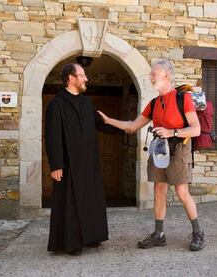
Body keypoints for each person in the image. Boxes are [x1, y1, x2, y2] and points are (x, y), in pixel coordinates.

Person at [98, 59, 205, 251]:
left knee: (182, 192)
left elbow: (195, 129)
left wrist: (172, 132)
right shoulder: (154, 103)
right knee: (159, 190)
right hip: (160, 148)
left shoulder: (183, 99)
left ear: (167, 76)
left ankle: (198, 232)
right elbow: (132, 126)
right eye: (151, 74)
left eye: (154, 74)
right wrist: (108, 120)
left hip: (180, 147)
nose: (150, 77)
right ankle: (159, 235)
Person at [45, 63, 121, 256]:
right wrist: (56, 165)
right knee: (70, 203)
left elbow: (101, 124)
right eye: (82, 75)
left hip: (89, 163)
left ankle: (92, 236)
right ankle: (71, 243)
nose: (86, 78)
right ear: (71, 78)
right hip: (68, 165)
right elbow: (52, 136)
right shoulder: (56, 104)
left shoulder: (87, 103)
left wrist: (127, 128)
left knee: (90, 200)